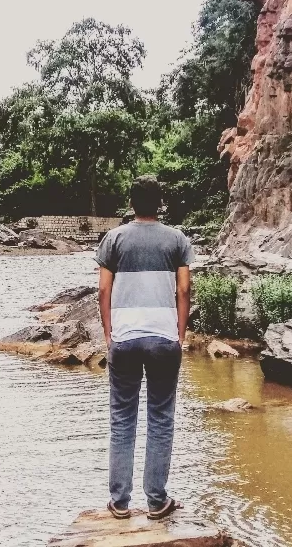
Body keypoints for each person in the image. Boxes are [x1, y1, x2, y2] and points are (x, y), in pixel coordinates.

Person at [95, 175, 194, 520]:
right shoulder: (177, 240)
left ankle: (120, 503)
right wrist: (179, 334)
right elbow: (184, 291)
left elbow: (104, 292)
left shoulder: (114, 239)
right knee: (161, 418)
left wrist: (109, 334)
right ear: (160, 203)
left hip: (123, 338)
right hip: (164, 338)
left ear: (132, 203)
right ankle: (156, 501)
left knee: (122, 420)